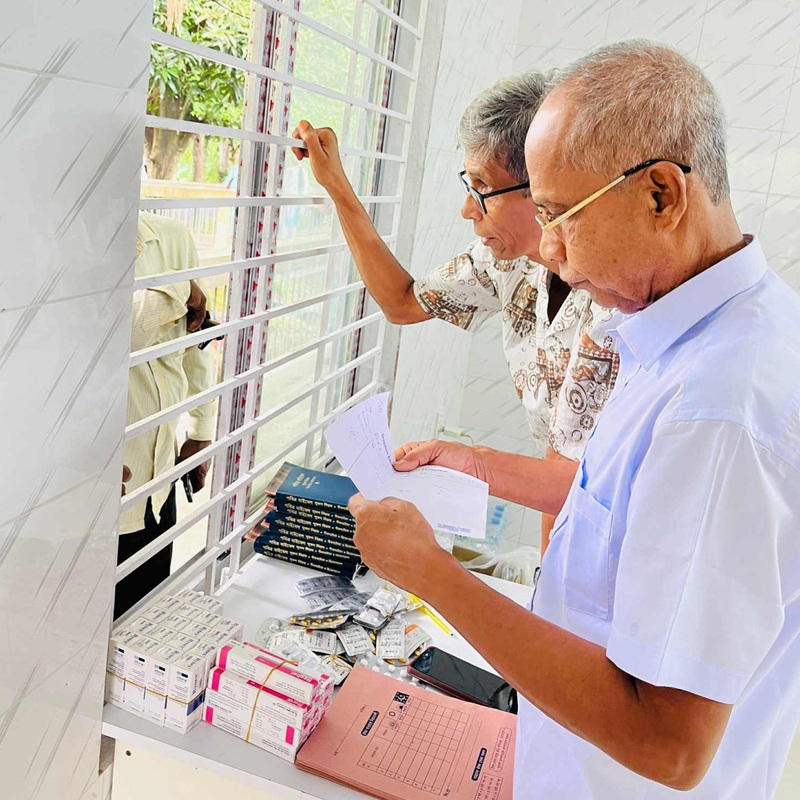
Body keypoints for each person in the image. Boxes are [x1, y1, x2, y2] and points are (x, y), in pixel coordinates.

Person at [348, 41, 800, 799]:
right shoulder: (685, 337)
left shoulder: (716, 412)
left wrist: (430, 573)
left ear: (662, 193)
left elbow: (669, 743)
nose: (550, 253)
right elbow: (618, 517)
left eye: (561, 216)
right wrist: (477, 468)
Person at [291, 71, 619, 550]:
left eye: (483, 187)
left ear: (543, 187)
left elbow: (574, 478)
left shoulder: (613, 302)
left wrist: (472, 463)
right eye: (469, 184)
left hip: (608, 531)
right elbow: (403, 302)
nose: (469, 209)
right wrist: (337, 186)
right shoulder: (505, 262)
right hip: (563, 514)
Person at [116, 213, 218, 618]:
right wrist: (182, 288)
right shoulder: (67, 248)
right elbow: (124, 328)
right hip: (108, 493)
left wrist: (201, 428)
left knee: (146, 616)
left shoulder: (171, 236)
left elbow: (195, 341)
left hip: (160, 480)